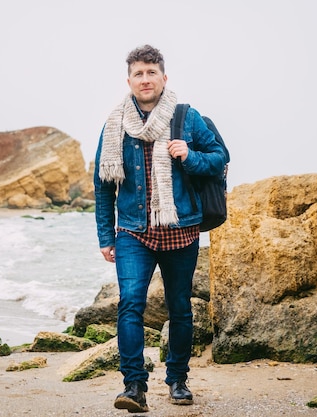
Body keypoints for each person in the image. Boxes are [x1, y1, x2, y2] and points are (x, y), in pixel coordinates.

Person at [94, 44, 228, 413]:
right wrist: (106, 237)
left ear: (163, 78)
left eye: (151, 72)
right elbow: (103, 186)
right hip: (134, 232)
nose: (145, 79)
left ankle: (178, 380)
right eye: (138, 73)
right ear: (129, 80)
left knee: (180, 308)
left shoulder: (186, 117)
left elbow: (220, 159)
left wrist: (190, 155)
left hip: (181, 229)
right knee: (130, 305)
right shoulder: (115, 124)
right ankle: (134, 386)